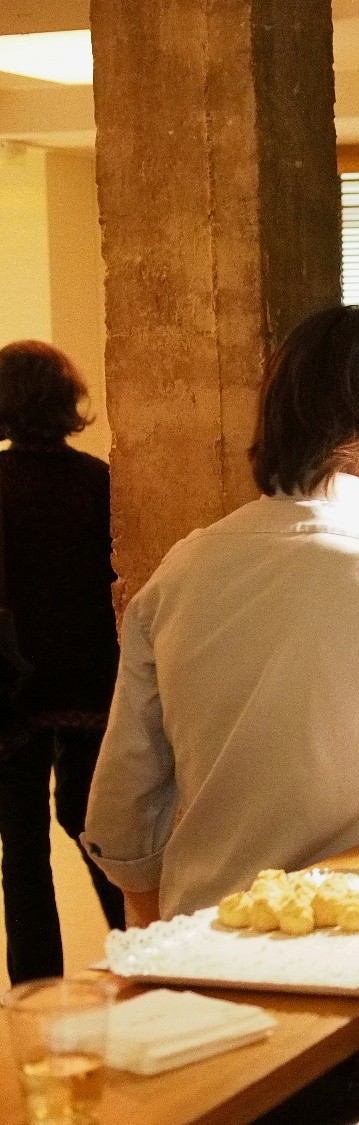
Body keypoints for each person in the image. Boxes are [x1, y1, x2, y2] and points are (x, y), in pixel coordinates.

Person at [83, 306, 359, 922]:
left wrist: (156, 926)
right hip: (348, 925)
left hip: (203, 927)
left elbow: (122, 816)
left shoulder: (183, 566)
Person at [0, 341, 125, 981]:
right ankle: (140, 958)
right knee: (96, 828)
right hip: (89, 676)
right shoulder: (97, 480)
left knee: (21, 848)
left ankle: (37, 991)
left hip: (11, 687)